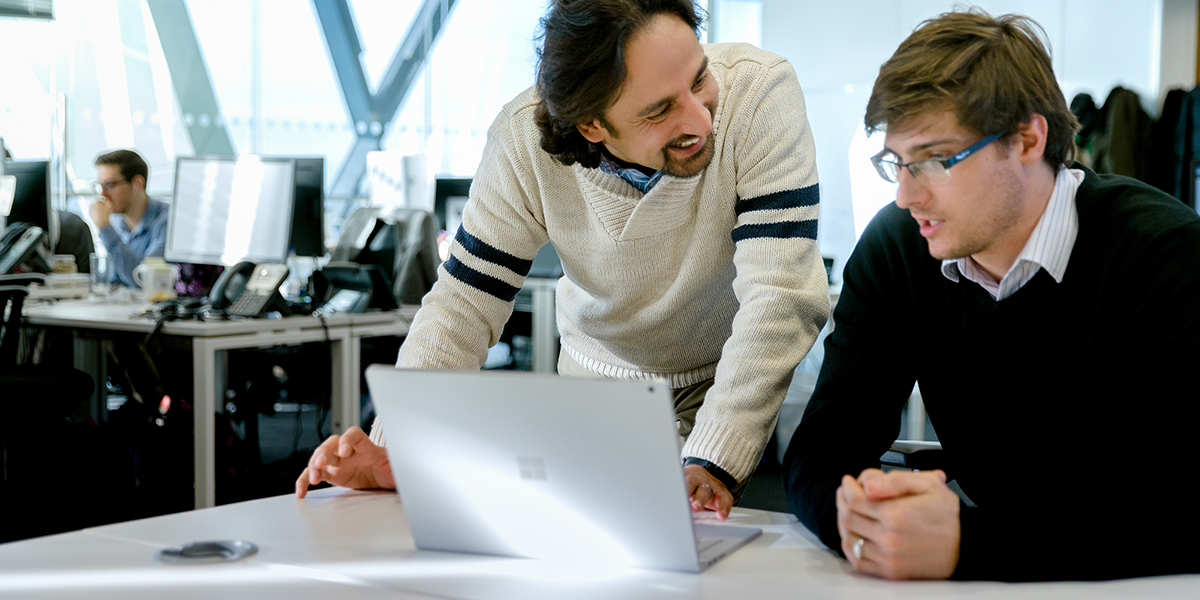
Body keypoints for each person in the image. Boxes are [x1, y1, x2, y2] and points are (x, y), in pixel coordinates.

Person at [297, 0, 829, 519]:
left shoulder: (759, 94)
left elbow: (779, 297)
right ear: (591, 126)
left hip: (725, 379)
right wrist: (398, 447)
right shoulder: (522, 140)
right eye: (660, 109)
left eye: (699, 79)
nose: (702, 118)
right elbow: (464, 302)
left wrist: (713, 458)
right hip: (594, 389)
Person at [782, 9, 1200, 582]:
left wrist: (964, 544)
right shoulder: (899, 249)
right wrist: (861, 521)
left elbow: (1179, 511)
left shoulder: (1167, 255)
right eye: (896, 163)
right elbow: (821, 449)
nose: (905, 195)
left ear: (1028, 138)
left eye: (933, 160)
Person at [90, 149, 169, 288]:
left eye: (109, 185)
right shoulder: (117, 222)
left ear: (137, 184)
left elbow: (145, 281)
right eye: (99, 186)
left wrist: (104, 228)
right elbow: (113, 281)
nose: (102, 194)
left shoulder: (167, 222)